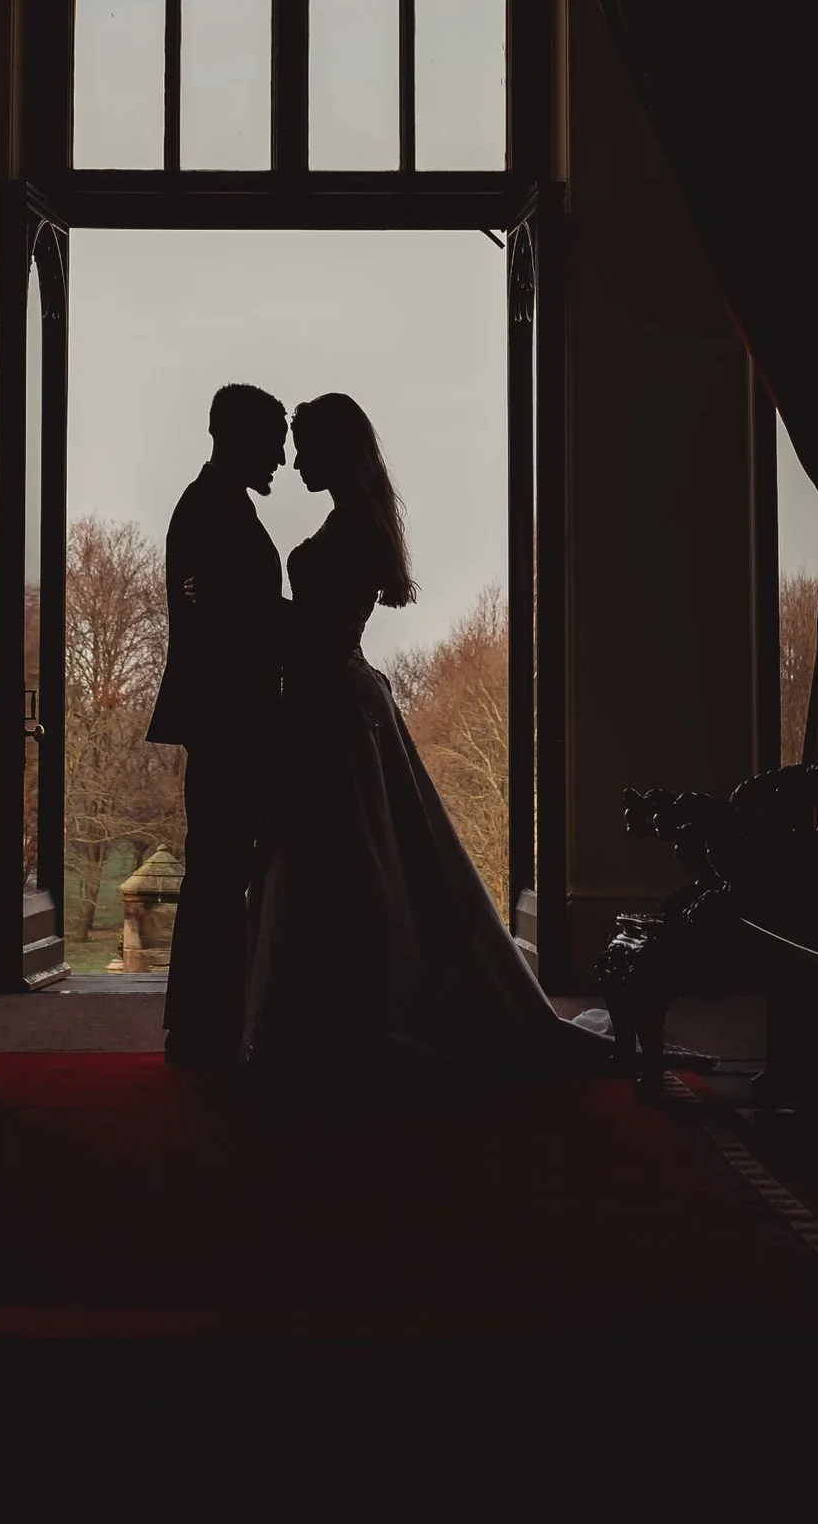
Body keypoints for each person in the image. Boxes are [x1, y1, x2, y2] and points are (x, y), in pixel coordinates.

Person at [242, 393, 609, 1079]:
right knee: (357, 855)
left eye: (305, 447)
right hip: (343, 695)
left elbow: (318, 633)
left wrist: (259, 617)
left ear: (335, 449)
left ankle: (342, 1025)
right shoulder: (357, 522)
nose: (294, 462)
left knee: (338, 856)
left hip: (331, 700)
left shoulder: (351, 528)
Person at [146, 383, 289, 1064]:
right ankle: (204, 1026)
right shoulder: (210, 509)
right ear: (238, 438)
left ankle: (204, 1020)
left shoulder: (214, 504)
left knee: (219, 864)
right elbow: (234, 616)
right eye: (275, 440)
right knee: (218, 866)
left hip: (230, 715)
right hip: (230, 716)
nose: (284, 458)